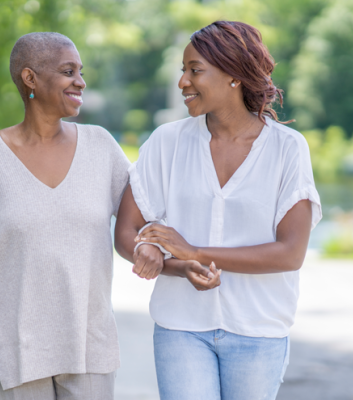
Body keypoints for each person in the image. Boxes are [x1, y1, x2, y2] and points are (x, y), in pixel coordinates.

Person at [115, 21, 322, 400]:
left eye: (194, 70)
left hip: (258, 329)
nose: (183, 82)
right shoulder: (166, 142)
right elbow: (127, 231)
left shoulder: (288, 149)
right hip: (181, 326)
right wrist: (164, 258)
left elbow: (290, 253)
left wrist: (195, 252)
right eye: (183, 70)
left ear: (233, 75)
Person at [0, 32, 129, 400]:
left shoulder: (101, 148)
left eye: (80, 71)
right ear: (30, 78)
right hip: (15, 347)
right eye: (68, 71)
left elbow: (143, 219)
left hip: (89, 344)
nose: (80, 81)